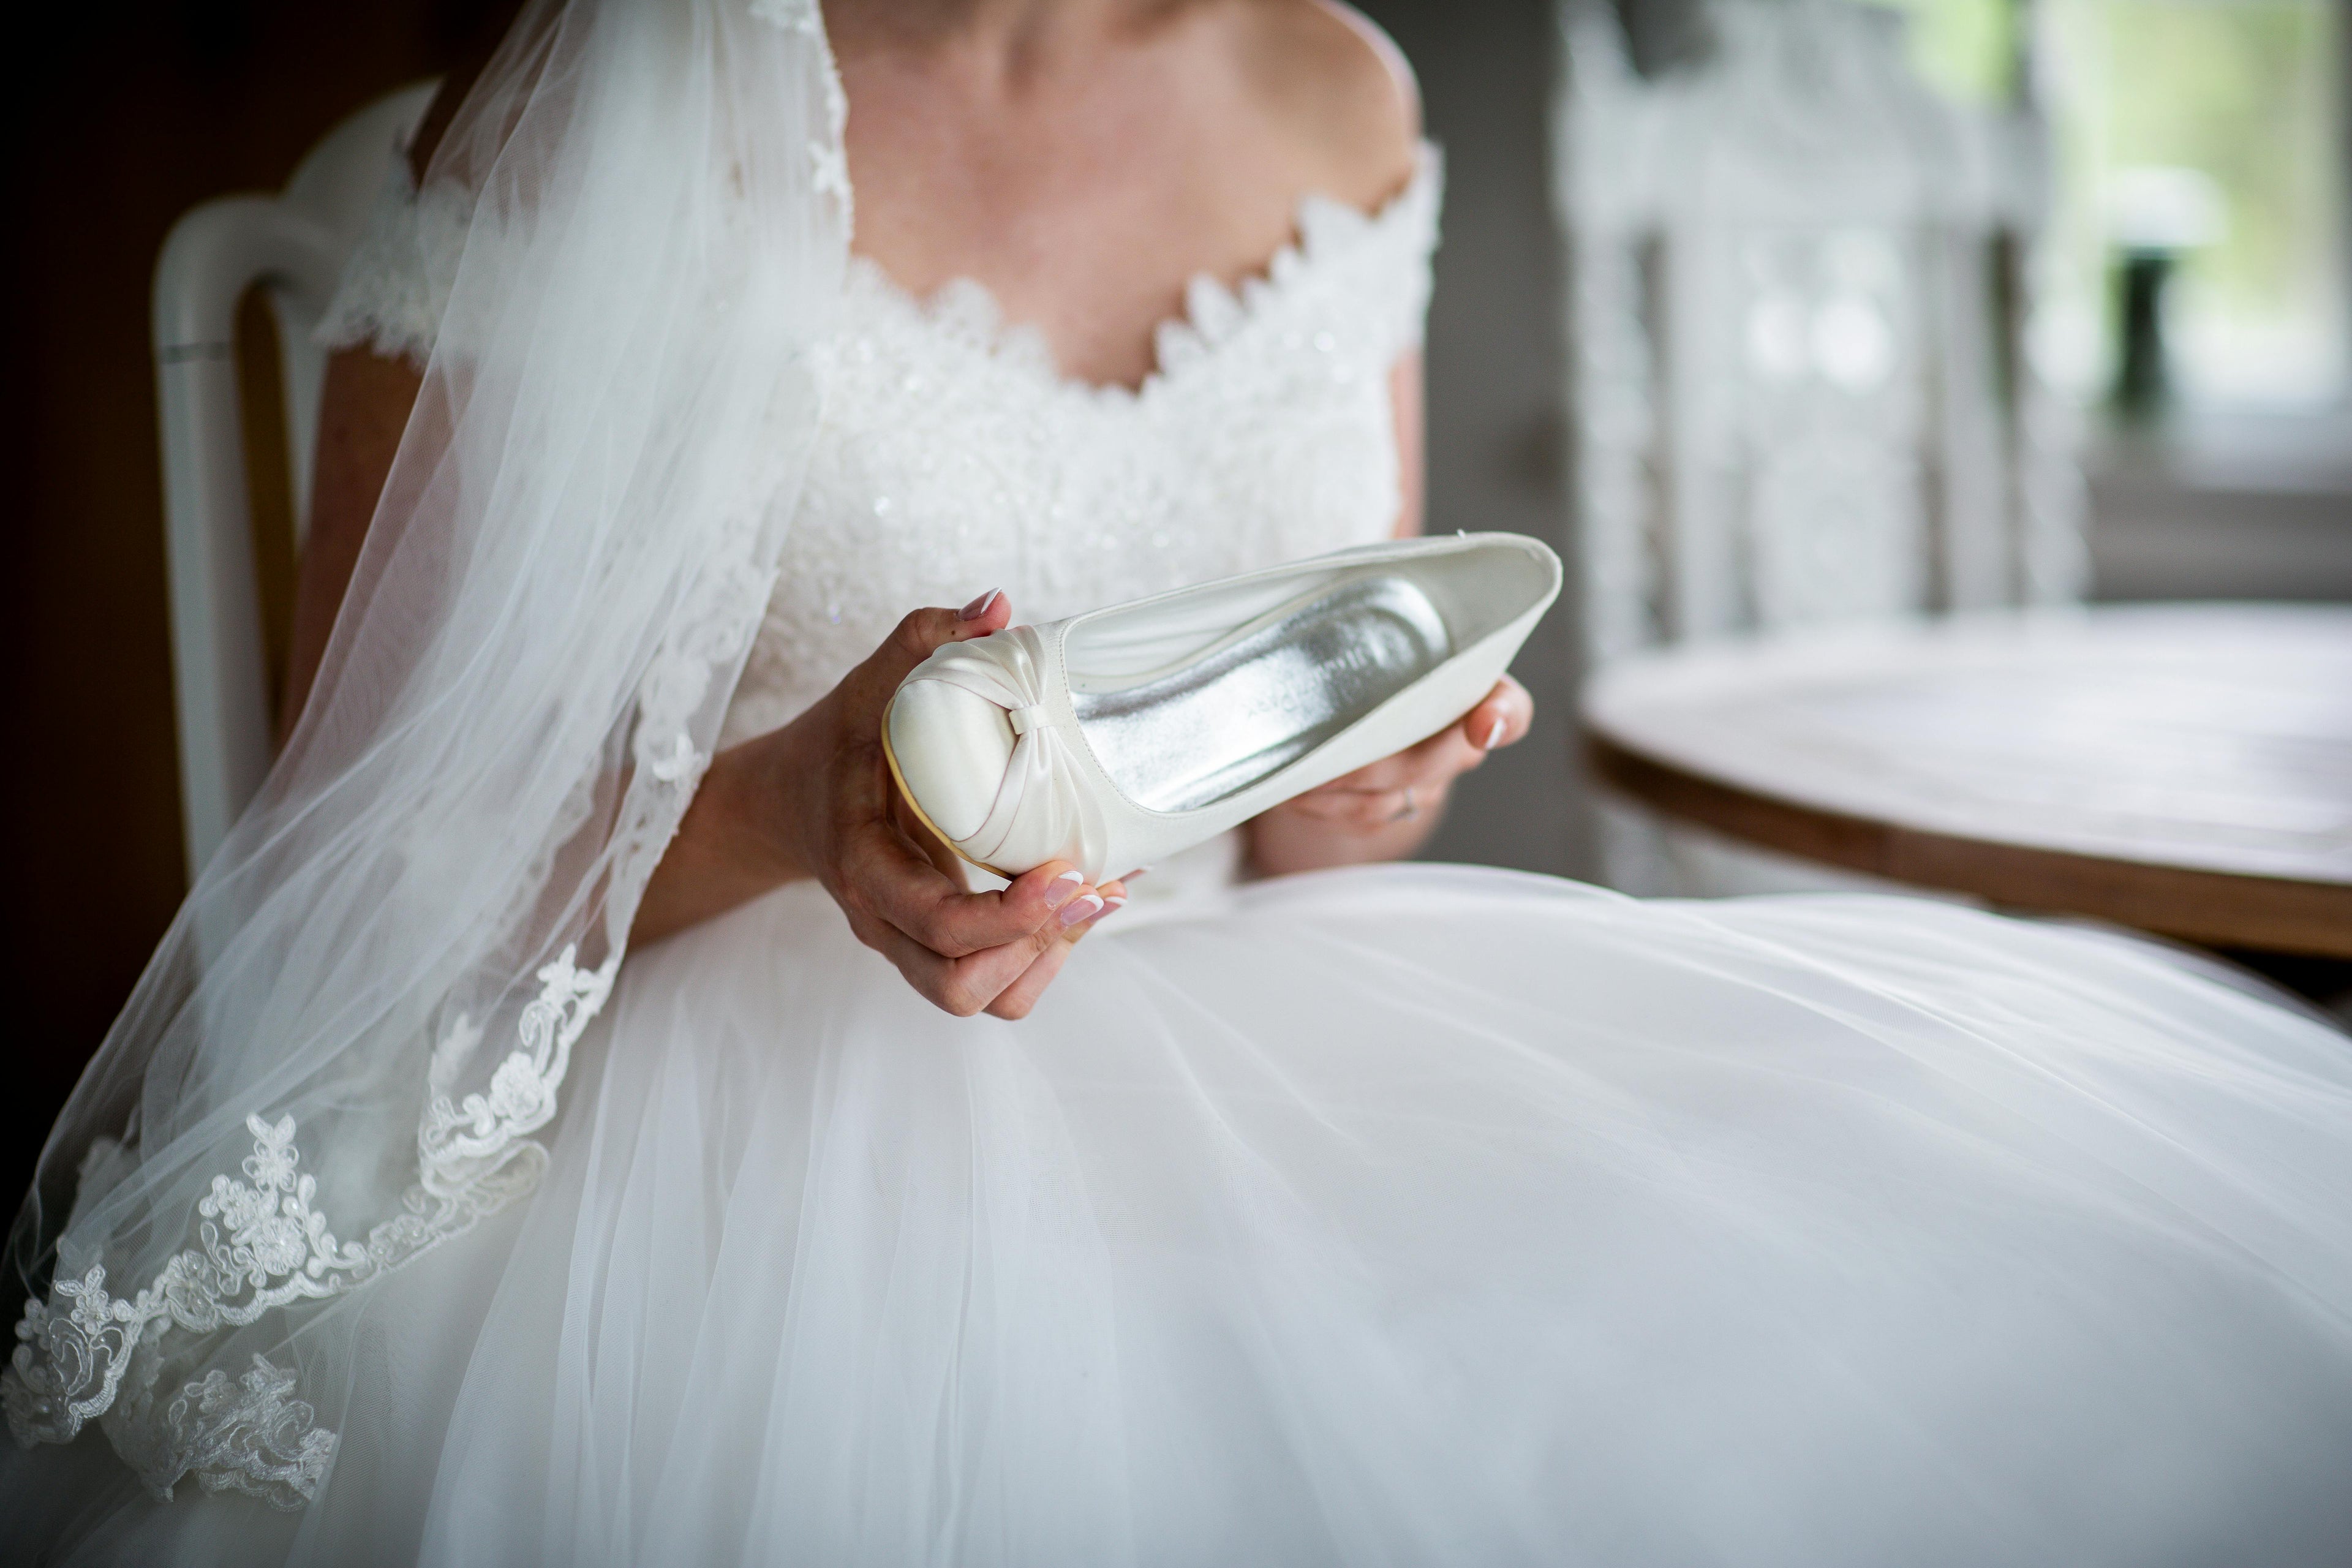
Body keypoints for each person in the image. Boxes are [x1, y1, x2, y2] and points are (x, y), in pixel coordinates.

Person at [7, 2, 2351, 1562]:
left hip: (1281, 1029)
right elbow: (373, 862)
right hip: (730, 1134)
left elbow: (1329, 789)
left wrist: (1372, 773)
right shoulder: (627, 87)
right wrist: (793, 806)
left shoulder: (1340, 92)